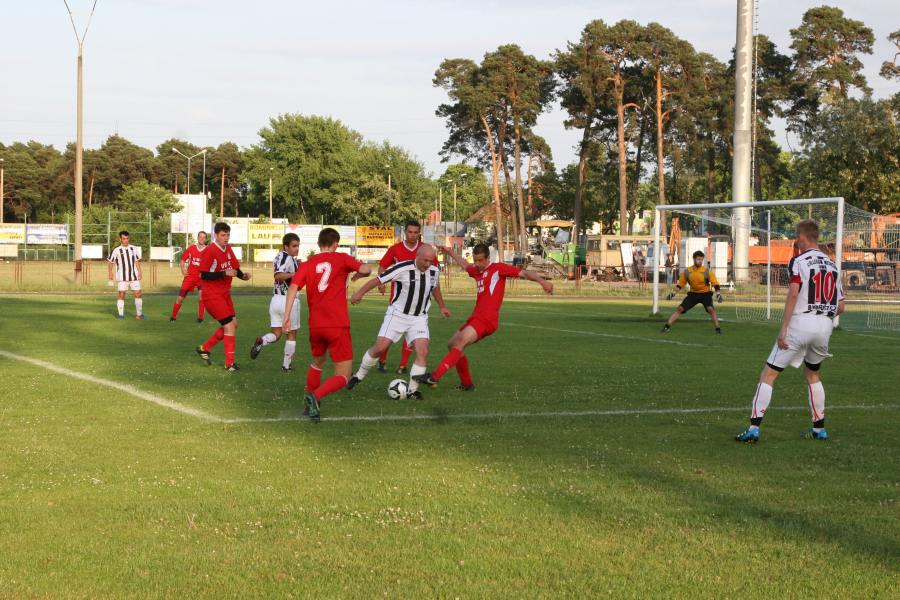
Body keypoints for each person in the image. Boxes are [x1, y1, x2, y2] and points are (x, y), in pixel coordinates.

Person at [735, 220, 844, 443]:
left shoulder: (798, 260)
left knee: (768, 374)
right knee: (812, 375)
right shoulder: (832, 265)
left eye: (796, 237)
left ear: (801, 238)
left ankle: (754, 429)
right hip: (825, 326)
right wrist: (821, 317)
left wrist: (784, 327)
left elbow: (794, 293)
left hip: (800, 324)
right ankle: (819, 429)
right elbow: (841, 306)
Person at [412, 243, 552, 390]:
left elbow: (524, 273)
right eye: (475, 260)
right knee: (451, 344)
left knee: (459, 343)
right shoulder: (477, 271)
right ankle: (467, 384)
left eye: (480, 260)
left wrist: (543, 281)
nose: (477, 264)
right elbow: (465, 265)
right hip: (476, 318)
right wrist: (449, 252)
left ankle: (434, 376)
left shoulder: (497, 269)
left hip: (487, 320)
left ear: (488, 258)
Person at [282, 228, 372, 422]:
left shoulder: (307, 264)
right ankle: (315, 396)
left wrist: (287, 316)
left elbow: (293, 287)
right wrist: (359, 274)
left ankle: (308, 408)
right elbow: (367, 270)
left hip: (316, 324)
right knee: (344, 376)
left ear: (318, 244)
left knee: (317, 363)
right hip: (337, 323)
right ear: (336, 244)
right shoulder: (342, 258)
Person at [346, 243, 451, 399]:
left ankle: (412, 391)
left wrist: (442, 306)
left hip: (419, 318)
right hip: (397, 315)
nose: (428, 264)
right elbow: (378, 280)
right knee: (379, 348)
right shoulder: (402, 268)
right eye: (425, 260)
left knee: (423, 351)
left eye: (431, 261)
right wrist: (360, 293)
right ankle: (358, 376)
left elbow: (435, 288)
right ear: (417, 256)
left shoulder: (434, 271)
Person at [375, 220, 437, 374]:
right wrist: (381, 282)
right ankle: (382, 359)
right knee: (390, 332)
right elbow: (383, 266)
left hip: (419, 299)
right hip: (399, 297)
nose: (413, 235)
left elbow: (433, 273)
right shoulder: (395, 249)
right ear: (405, 232)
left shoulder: (425, 250)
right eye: (410, 232)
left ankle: (402, 365)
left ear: (419, 233)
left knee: (412, 333)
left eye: (416, 232)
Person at [194, 222, 252, 372]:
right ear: (215, 235)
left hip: (224, 293)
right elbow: (203, 275)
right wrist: (224, 273)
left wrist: (243, 276)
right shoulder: (210, 251)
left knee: (233, 324)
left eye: (227, 235)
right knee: (229, 326)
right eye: (223, 235)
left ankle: (204, 348)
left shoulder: (228, 249)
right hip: (212, 295)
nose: (226, 238)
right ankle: (229, 364)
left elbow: (235, 268)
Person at [250, 233, 303, 371]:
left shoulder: (280, 256)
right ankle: (286, 366)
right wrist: (296, 273)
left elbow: (283, 269)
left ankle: (262, 341)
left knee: (277, 334)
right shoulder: (288, 258)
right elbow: (278, 275)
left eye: (298, 245)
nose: (297, 248)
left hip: (275, 300)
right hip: (288, 301)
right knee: (291, 335)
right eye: (294, 246)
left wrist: (296, 266)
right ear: (286, 246)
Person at [660, 250, 724, 334]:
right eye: (698, 259)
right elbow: (681, 284)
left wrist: (718, 293)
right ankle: (666, 327)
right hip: (693, 294)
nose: (700, 261)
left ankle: (718, 329)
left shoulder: (706, 271)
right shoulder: (687, 271)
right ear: (694, 259)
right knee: (680, 308)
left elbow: (715, 283)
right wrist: (674, 293)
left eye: (701, 259)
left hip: (705, 294)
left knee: (710, 308)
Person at [107, 230, 147, 320]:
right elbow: (111, 262)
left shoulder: (133, 248)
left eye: (127, 238)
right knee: (122, 294)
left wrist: (140, 271)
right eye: (124, 238)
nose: (126, 240)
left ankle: (139, 314)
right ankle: (121, 315)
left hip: (133, 275)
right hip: (122, 276)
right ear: (120, 239)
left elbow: (136, 261)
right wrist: (110, 272)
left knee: (138, 293)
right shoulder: (116, 250)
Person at [170, 231, 208, 323]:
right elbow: (183, 260)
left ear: (206, 239)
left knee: (202, 295)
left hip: (201, 278)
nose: (202, 238)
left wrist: (206, 273)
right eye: (200, 237)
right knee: (180, 298)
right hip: (190, 277)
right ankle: (173, 317)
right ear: (198, 238)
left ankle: (200, 318)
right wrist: (182, 269)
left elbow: (212, 263)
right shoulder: (191, 249)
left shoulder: (208, 250)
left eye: (204, 237)